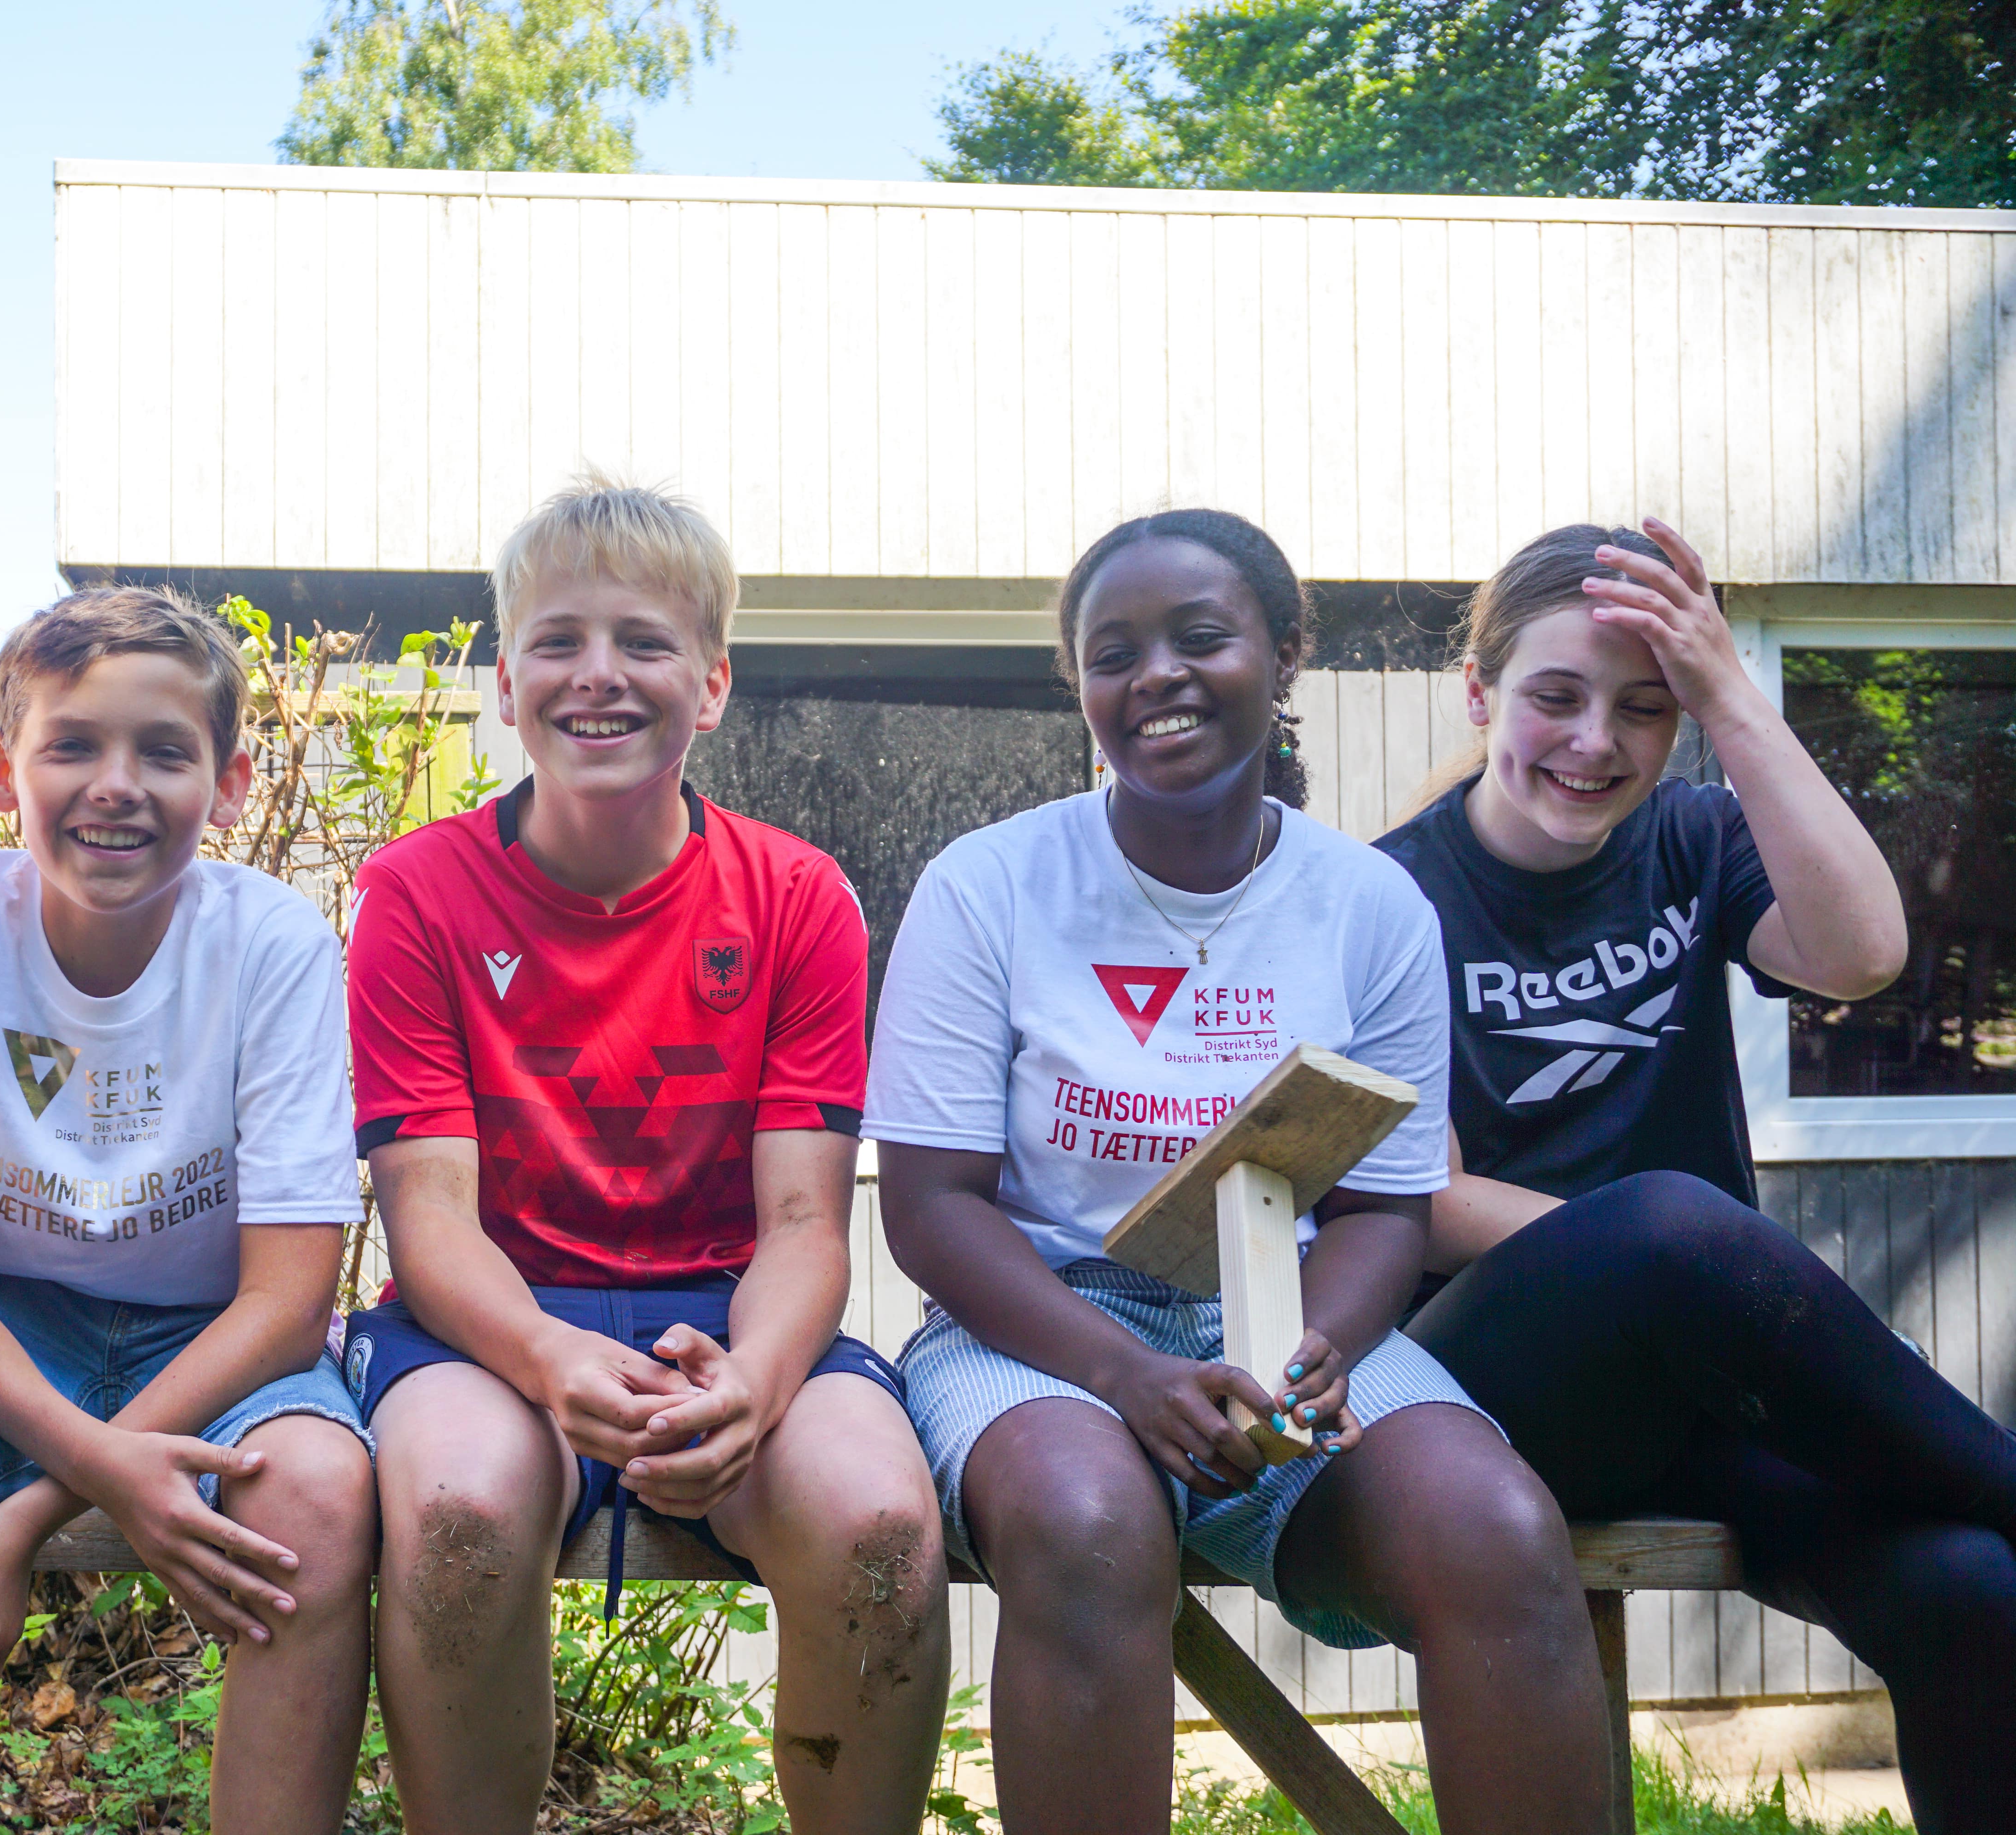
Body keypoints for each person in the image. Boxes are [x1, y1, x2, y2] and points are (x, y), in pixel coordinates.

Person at [871, 509, 1617, 1835]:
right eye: (1114, 654)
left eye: (1200, 637)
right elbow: (932, 1209)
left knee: (1497, 1531)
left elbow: (1386, 1205)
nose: (1156, 674)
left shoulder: (1371, 907)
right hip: (1040, 1325)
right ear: (1083, 689)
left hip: (1295, 1320)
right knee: (1088, 1522)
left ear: (1283, 656)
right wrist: (1125, 1375)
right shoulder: (989, 887)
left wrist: (1315, 1352)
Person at [1379, 519, 2016, 1835]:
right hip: (1484, 1398)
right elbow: (1426, 1201)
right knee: (1669, 1221)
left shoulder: (1693, 837)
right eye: (1557, 697)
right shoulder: (1386, 895)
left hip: (1703, 1389)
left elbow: (1862, 955)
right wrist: (1687, 1266)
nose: (1596, 742)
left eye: (1647, 707)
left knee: (1970, 1588)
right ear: (1480, 693)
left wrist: (1731, 694)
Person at [343, 475, 948, 1835]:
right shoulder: (416, 893)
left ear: (714, 685)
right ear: (507, 685)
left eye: (645, 642)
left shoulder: (798, 896)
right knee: (459, 1518)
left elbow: (807, 1223)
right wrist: (548, 1355)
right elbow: (428, 1219)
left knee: (880, 1532)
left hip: (729, 1316)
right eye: (557, 641)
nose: (598, 675)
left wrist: (754, 1383)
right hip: (487, 1322)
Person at [0, 586, 377, 1835]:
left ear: (230, 785)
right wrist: (97, 1464)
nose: (117, 785)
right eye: (73, 746)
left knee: (319, 1497)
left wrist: (31, 1514)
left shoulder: (273, 943)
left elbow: (287, 1303)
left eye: (164, 751)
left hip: (217, 1335)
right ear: (2, 770)